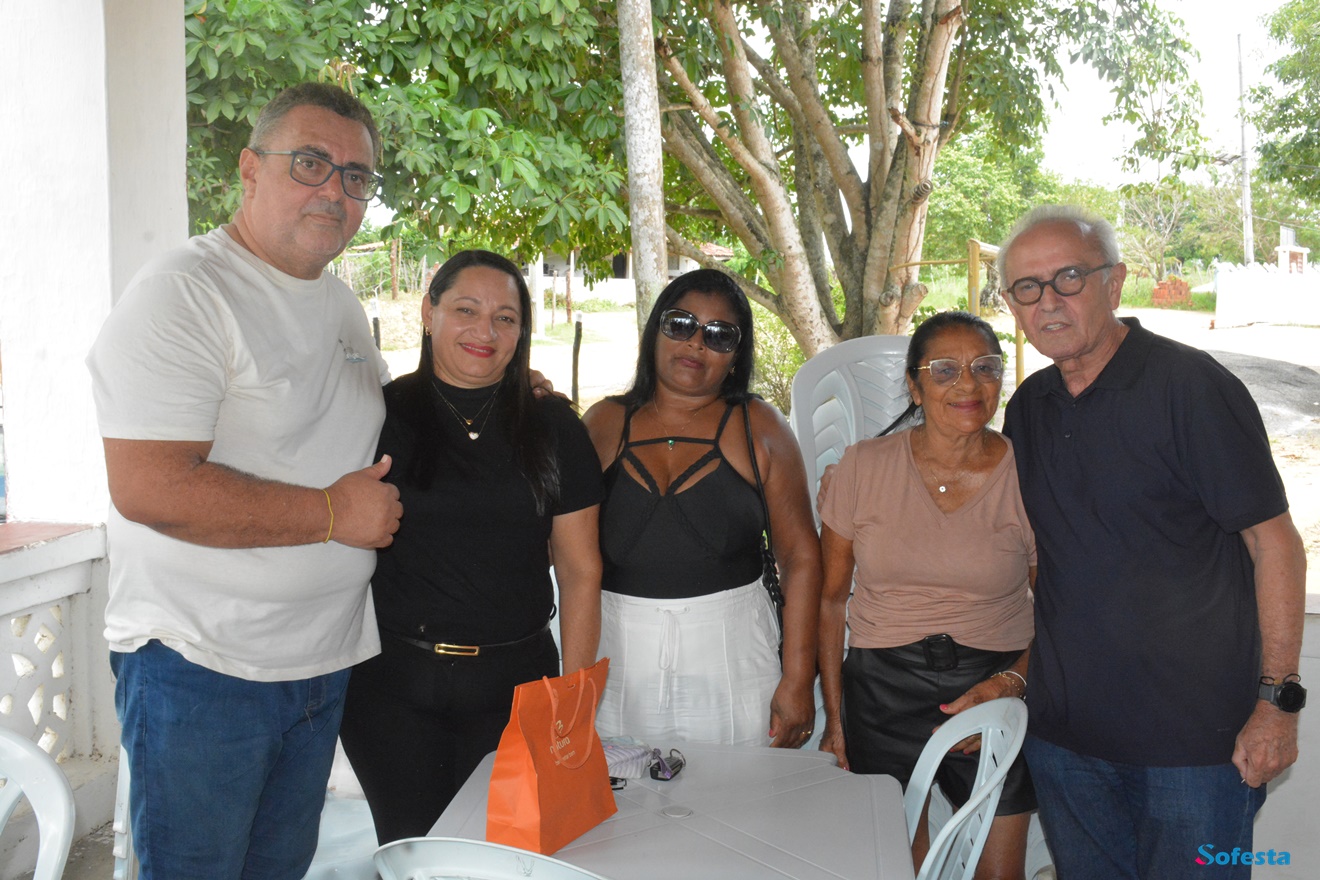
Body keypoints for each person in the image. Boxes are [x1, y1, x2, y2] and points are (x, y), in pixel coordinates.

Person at [86, 83, 404, 878]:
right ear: (250, 169)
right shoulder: (184, 292)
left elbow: (370, 422)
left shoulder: (339, 304)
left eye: (356, 176)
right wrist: (331, 514)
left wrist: (507, 395)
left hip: (319, 663)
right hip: (202, 666)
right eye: (311, 163)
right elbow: (150, 486)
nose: (334, 190)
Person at [998, 205, 1307, 880]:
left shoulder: (1192, 388)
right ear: (1011, 304)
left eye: (1069, 278)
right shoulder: (1028, 409)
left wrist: (1276, 702)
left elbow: (1274, 543)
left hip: (1196, 748)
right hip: (1066, 740)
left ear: (1114, 283)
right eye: (1026, 287)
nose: (1047, 302)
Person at [337, 249, 604, 843]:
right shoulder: (376, 417)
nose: (485, 331)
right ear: (428, 313)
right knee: (415, 855)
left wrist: (575, 697)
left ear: (521, 333)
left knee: (507, 855)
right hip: (392, 690)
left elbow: (581, 571)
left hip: (517, 689)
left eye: (505, 318)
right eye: (466, 310)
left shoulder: (554, 427)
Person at [817, 311, 1037, 879]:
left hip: (992, 686)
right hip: (882, 690)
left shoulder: (1030, 475)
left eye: (985, 367)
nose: (969, 384)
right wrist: (836, 719)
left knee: (999, 874)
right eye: (944, 370)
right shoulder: (862, 467)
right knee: (894, 868)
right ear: (914, 387)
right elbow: (830, 600)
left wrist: (1013, 682)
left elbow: (1063, 610)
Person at [582, 268, 821, 748]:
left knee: (741, 791)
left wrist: (798, 678)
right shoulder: (603, 422)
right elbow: (564, 553)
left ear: (736, 356)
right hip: (613, 656)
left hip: (736, 659)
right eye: (680, 324)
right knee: (617, 793)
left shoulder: (761, 426)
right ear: (655, 331)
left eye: (718, 335)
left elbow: (801, 558)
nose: (695, 343)